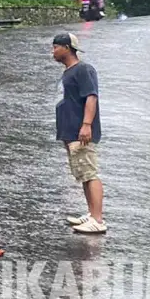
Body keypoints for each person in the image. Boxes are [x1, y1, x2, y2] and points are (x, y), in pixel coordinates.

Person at [52, 33, 106, 234]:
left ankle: (98, 219)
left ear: (67, 47)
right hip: (70, 132)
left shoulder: (83, 70)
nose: (53, 51)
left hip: (80, 131)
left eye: (56, 47)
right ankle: (92, 214)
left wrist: (86, 124)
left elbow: (91, 97)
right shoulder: (68, 72)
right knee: (83, 173)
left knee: (90, 173)